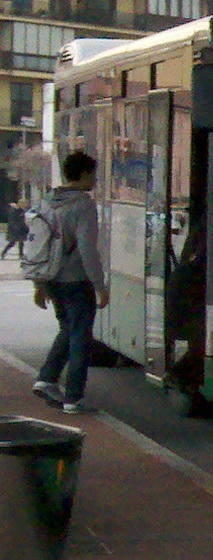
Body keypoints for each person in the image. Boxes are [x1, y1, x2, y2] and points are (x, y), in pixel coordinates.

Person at [30, 151, 109, 415]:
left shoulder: (48, 201)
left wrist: (39, 283)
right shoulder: (83, 205)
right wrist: (99, 284)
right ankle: (74, 397)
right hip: (76, 280)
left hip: (52, 278)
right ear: (84, 174)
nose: (95, 180)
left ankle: (47, 378)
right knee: (80, 337)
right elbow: (87, 248)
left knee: (68, 328)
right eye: (93, 175)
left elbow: (39, 244)